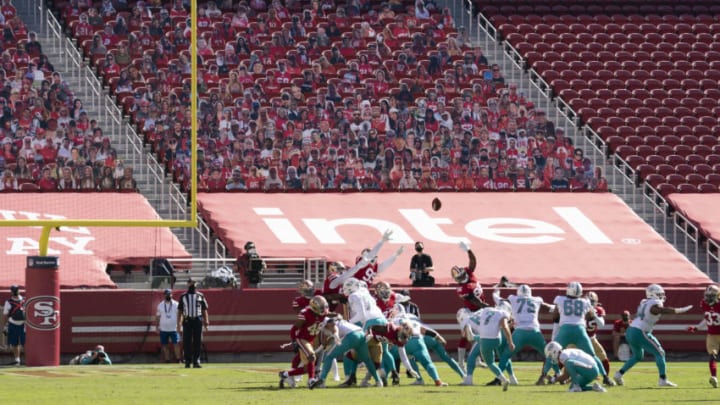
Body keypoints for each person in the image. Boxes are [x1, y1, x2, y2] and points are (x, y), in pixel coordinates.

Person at [613, 284, 693, 387]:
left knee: (637, 356)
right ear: (655, 294)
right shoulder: (654, 303)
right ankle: (662, 379)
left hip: (631, 330)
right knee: (660, 353)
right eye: (660, 294)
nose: (662, 296)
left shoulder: (644, 302)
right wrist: (678, 310)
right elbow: (659, 310)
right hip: (640, 331)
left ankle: (619, 374)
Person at [496, 284, 560, 385]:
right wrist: (557, 307)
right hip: (535, 332)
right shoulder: (537, 299)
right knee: (549, 354)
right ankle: (559, 374)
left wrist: (497, 296)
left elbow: (502, 302)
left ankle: (498, 378)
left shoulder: (513, 298)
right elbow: (548, 307)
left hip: (520, 332)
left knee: (506, 354)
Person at [552, 281, 610, 383]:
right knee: (593, 356)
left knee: (561, 354)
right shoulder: (586, 305)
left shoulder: (571, 302)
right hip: (584, 336)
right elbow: (599, 322)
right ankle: (605, 377)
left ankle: (555, 376)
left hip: (585, 336)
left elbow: (556, 318)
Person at [309, 313, 382, 389]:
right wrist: (316, 351)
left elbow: (333, 326)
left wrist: (336, 334)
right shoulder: (330, 323)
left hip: (352, 335)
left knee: (329, 356)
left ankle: (322, 380)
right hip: (360, 334)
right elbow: (326, 341)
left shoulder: (326, 321)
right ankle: (378, 381)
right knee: (367, 360)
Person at [457, 296, 514, 390]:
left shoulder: (470, 317)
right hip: (496, 339)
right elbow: (504, 326)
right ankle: (509, 378)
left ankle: (469, 380)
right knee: (491, 358)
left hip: (486, 339)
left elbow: (464, 336)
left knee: (478, 358)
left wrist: (470, 335)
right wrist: (510, 341)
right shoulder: (497, 312)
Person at [279, 295, 329, 388]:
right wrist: (294, 341)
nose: (324, 310)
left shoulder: (324, 314)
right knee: (311, 356)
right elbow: (294, 328)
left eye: (324, 307)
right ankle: (311, 380)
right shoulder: (305, 313)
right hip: (302, 339)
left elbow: (329, 317)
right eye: (321, 308)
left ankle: (286, 374)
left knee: (307, 368)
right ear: (314, 308)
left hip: (310, 340)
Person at [452, 240, 488, 370]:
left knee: (480, 336)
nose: (461, 279)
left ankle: (477, 359)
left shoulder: (469, 274)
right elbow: (472, 299)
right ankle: (461, 362)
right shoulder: (462, 288)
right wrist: (484, 305)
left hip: (480, 311)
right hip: (470, 312)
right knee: (466, 335)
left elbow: (473, 262)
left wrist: (468, 249)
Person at [688, 284, 720, 388]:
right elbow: (707, 318)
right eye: (707, 295)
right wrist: (697, 327)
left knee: (712, 356)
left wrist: (697, 327)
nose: (708, 298)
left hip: (713, 335)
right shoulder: (705, 304)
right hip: (712, 335)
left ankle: (714, 376)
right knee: (712, 356)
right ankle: (714, 377)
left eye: (711, 296)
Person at [177, 279, 209, 368]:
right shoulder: (183, 296)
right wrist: (179, 324)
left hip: (197, 320)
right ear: (187, 284)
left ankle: (196, 361)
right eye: (191, 282)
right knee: (186, 341)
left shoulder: (200, 295)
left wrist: (206, 322)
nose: (192, 284)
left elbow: (204, 309)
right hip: (187, 320)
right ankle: (187, 361)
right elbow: (180, 311)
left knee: (197, 341)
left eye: (194, 283)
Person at [585, 291, 613, 383]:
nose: (591, 304)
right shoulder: (579, 308)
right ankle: (558, 375)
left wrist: (594, 315)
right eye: (589, 301)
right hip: (578, 337)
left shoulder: (598, 310)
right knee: (567, 356)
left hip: (591, 338)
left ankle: (606, 377)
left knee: (602, 356)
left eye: (592, 301)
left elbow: (601, 324)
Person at [1, 285, 25, 366]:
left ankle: (29, 358)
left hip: (24, 324)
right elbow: (5, 315)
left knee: (26, 342)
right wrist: (5, 326)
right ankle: (17, 360)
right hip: (13, 323)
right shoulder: (8, 302)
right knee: (15, 343)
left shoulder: (25, 300)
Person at [156, 289, 181, 363]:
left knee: (176, 344)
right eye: (166, 294)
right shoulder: (160, 305)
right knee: (165, 345)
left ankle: (178, 359)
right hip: (163, 329)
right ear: (164, 295)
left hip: (174, 328)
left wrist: (179, 324)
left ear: (172, 295)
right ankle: (167, 360)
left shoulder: (176, 304)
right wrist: (157, 326)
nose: (168, 296)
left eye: (169, 294)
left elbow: (180, 315)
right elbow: (157, 316)